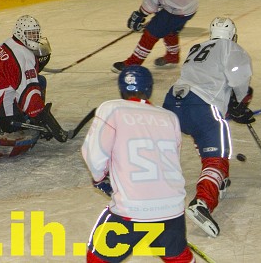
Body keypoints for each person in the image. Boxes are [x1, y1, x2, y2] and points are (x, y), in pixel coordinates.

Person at [82, 66, 193, 262]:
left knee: (97, 258)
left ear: (121, 89)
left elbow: (94, 155)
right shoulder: (169, 117)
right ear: (149, 88)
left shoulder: (112, 109)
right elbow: (170, 159)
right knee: (178, 257)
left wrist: (99, 179)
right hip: (172, 208)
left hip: (131, 209)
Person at [163, 17, 254, 238]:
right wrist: (241, 104)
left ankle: (218, 181)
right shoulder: (231, 48)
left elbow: (205, 76)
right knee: (217, 157)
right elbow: (240, 80)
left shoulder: (198, 47)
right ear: (232, 35)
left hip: (172, 103)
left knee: (202, 135)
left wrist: (231, 106)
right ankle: (202, 202)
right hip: (202, 106)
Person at [0, 15, 69, 165]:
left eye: (35, 33)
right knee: (29, 138)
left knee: (40, 80)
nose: (34, 38)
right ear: (20, 33)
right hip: (0, 103)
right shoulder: (24, 56)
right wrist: (42, 119)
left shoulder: (7, 44)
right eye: (30, 34)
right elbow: (29, 93)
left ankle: (26, 119)